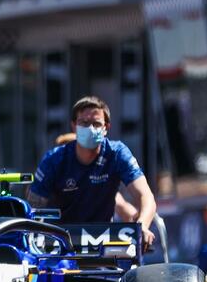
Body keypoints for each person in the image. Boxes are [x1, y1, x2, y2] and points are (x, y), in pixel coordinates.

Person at [29, 96, 157, 251]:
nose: (90, 128)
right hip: (59, 245)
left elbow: (146, 197)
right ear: (74, 126)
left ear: (106, 128)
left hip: (102, 243)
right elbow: (33, 209)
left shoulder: (116, 153)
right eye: (84, 123)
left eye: (96, 124)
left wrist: (142, 226)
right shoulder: (54, 159)